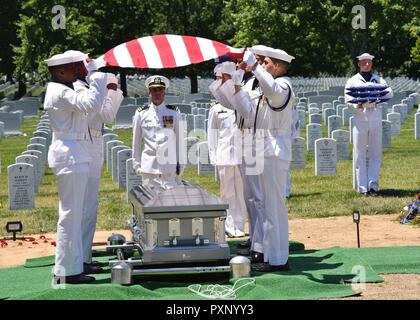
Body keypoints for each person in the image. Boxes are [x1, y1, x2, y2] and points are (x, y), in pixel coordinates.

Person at [220, 47, 295, 272]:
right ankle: (272, 256)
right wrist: (236, 80)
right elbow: (246, 110)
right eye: (261, 63)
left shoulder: (283, 85)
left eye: (266, 63)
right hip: (266, 150)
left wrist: (254, 67)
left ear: (279, 66)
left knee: (274, 208)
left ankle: (279, 259)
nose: (263, 66)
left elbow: (272, 90)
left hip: (275, 151)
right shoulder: (269, 86)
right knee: (268, 207)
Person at [44, 51, 112, 284]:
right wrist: (95, 76)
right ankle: (65, 270)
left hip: (75, 153)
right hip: (70, 155)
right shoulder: (60, 91)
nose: (78, 71)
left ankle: (73, 265)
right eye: (74, 68)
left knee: (74, 213)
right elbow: (91, 104)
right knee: (71, 215)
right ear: (60, 71)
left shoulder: (64, 88)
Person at [71, 51, 124, 272]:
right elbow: (107, 116)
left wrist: (110, 91)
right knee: (84, 206)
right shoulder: (80, 90)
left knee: (88, 206)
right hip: (86, 146)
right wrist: (112, 91)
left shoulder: (83, 88)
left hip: (91, 144)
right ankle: (80, 258)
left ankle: (83, 254)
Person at [345, 53, 393, 196]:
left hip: (375, 118)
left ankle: (373, 186)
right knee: (359, 153)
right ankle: (362, 188)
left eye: (369, 62)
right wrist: (360, 104)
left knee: (375, 153)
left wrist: (376, 99)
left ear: (371, 64)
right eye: (364, 62)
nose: (367, 64)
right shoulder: (353, 81)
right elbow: (348, 100)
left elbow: (388, 93)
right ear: (359, 64)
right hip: (360, 118)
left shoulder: (378, 80)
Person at [208, 62, 247, 238]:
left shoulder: (242, 100)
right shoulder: (217, 108)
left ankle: (239, 225)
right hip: (224, 155)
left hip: (242, 155)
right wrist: (214, 157)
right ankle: (229, 225)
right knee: (227, 192)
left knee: (242, 192)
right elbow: (212, 135)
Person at [132, 75, 185, 189]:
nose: (157, 93)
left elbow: (179, 140)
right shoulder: (141, 113)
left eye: (160, 90)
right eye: (154, 90)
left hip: (169, 168)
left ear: (164, 92)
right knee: (150, 204)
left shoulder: (174, 113)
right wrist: (136, 165)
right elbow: (136, 141)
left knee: (170, 203)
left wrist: (181, 164)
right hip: (148, 168)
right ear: (149, 92)